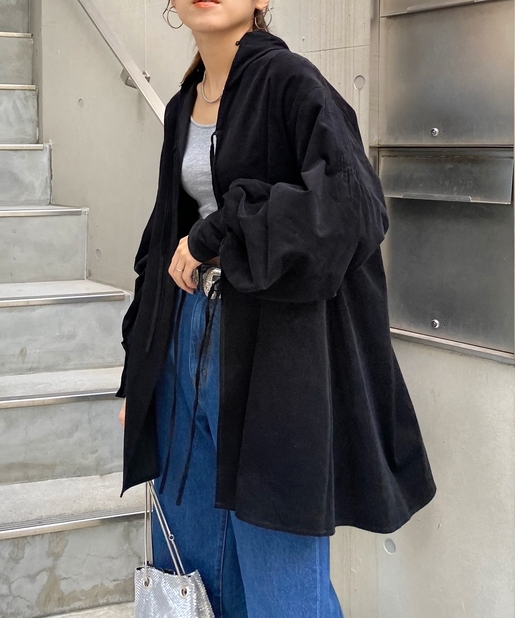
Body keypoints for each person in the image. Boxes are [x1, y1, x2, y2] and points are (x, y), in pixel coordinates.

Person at [116, 0, 437, 616]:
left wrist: (221, 231)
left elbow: (353, 208)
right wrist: (141, 375)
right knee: (192, 579)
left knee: (282, 591)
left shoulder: (289, 81)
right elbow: (160, 244)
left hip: (272, 361)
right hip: (184, 344)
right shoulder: (183, 106)